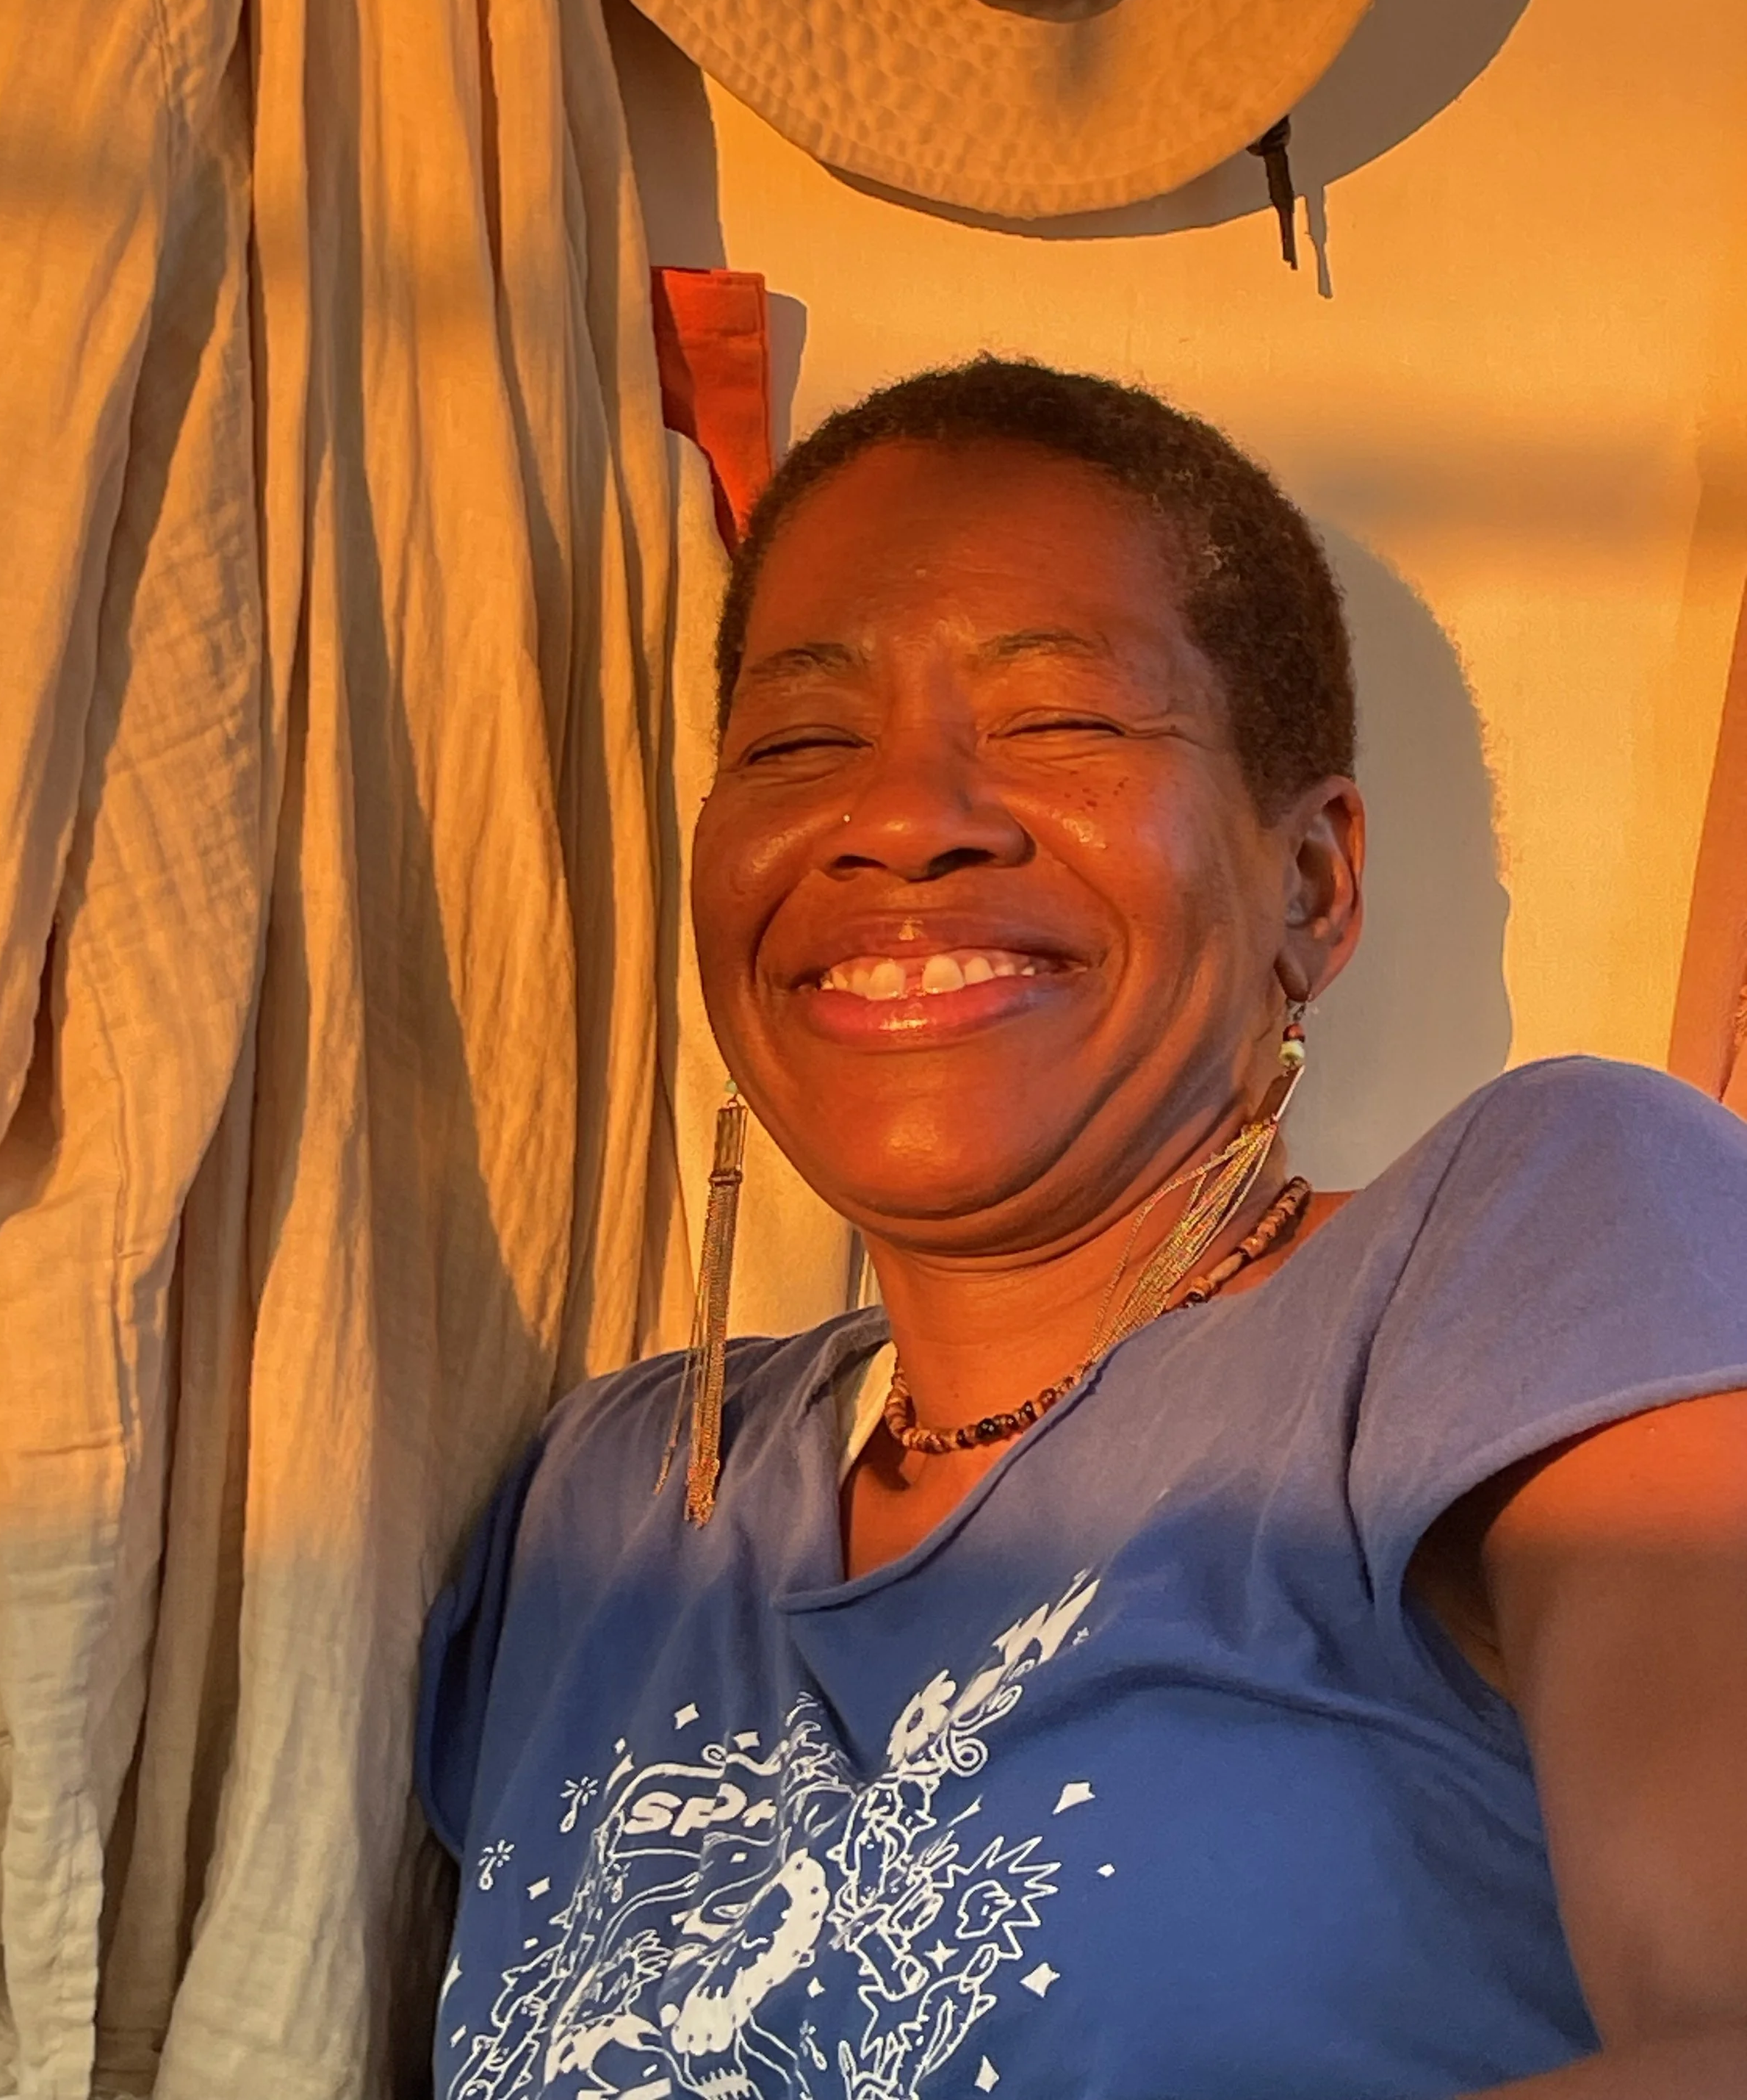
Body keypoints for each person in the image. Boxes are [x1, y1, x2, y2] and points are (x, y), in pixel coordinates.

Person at [416, 359, 1747, 2100]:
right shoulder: (597, 1498)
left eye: (1057, 721)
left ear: (1309, 883)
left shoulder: (1532, 1243)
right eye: (798, 743)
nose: (900, 821)